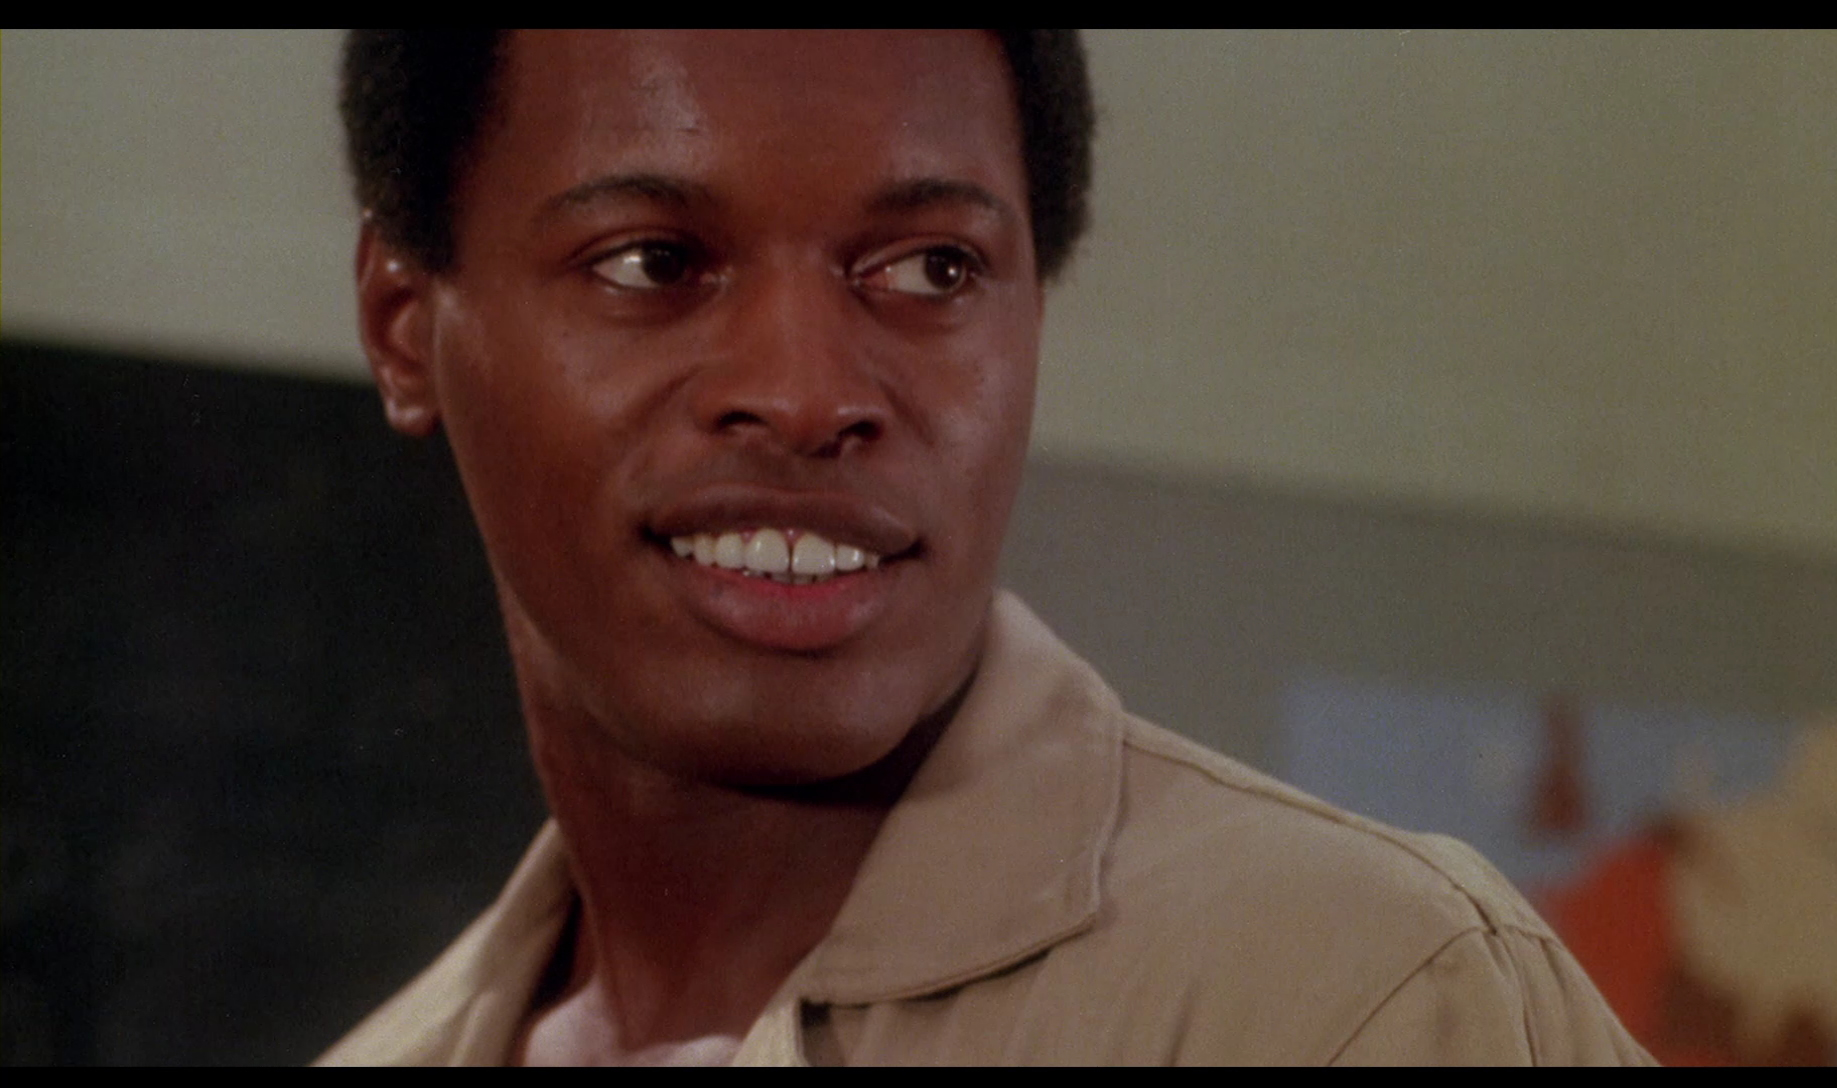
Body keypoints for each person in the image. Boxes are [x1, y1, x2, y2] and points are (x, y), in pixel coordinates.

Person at [319, 30, 1652, 1066]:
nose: (805, 393)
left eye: (932, 270)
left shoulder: (1360, 1005)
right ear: (403, 324)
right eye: (653, 262)